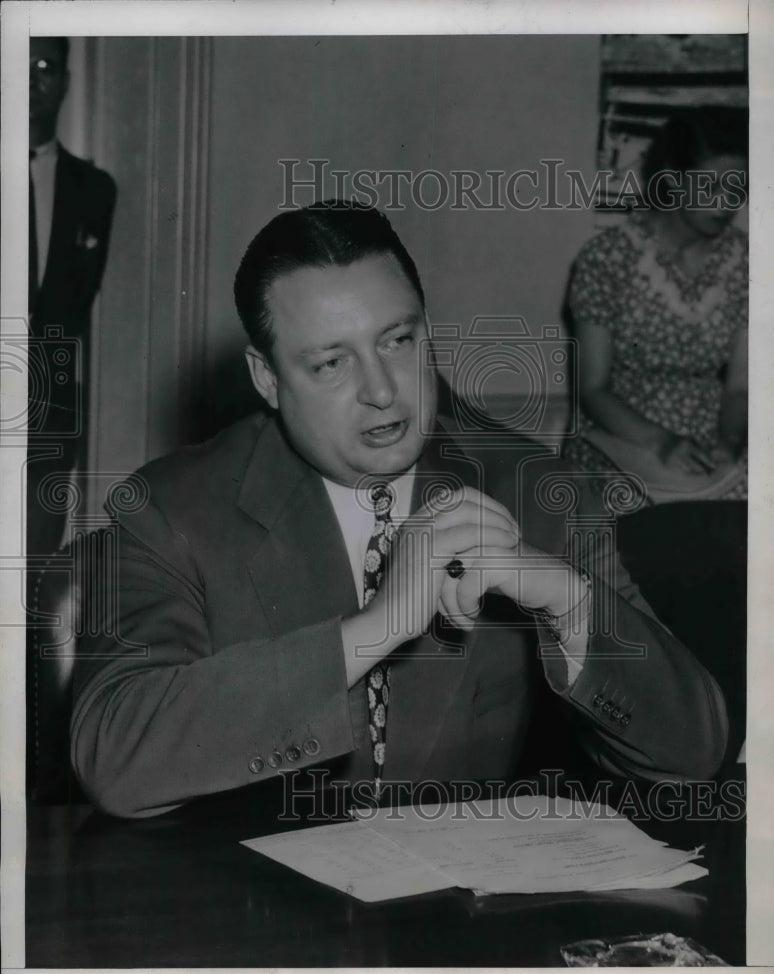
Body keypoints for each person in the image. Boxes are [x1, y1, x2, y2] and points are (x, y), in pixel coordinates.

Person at [71, 202, 727, 819]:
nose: (382, 391)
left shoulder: (531, 486)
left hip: (448, 922)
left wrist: (568, 601)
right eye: (331, 363)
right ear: (267, 378)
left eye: (398, 341)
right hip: (249, 914)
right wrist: (376, 628)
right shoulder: (175, 506)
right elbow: (113, 755)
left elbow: (692, 754)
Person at [563, 107, 748, 504]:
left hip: (710, 438)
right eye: (710, 185)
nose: (725, 202)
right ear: (673, 180)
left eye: (738, 187)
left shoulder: (748, 261)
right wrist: (662, 443)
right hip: (620, 436)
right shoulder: (607, 257)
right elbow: (592, 388)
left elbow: (739, 386)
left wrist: (729, 443)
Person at [27, 36, 117, 558]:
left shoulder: (94, 190)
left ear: (64, 81)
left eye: (45, 67)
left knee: (34, 559)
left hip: (50, 399)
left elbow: (80, 298)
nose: (33, 80)